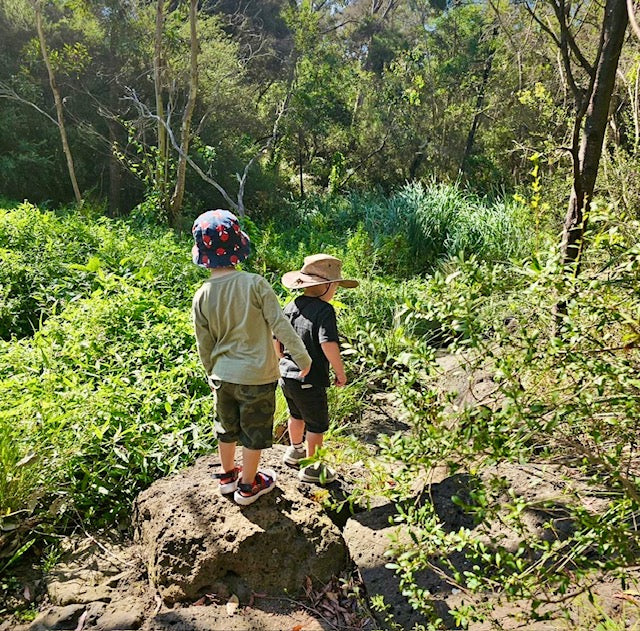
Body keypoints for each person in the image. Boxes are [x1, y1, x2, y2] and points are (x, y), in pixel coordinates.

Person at [191, 209, 312, 506]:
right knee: (253, 432)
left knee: (226, 427)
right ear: (237, 249)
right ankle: (248, 485)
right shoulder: (255, 283)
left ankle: (227, 475)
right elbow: (280, 325)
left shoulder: (202, 294)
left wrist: (211, 372)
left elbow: (203, 343)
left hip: (222, 374)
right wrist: (303, 358)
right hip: (256, 376)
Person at [275, 254, 358, 484]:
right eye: (335, 287)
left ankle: (295, 450)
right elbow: (327, 343)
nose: (335, 291)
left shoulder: (291, 306)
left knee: (295, 414)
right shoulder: (324, 311)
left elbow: (278, 335)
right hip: (310, 378)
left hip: (287, 375)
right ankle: (313, 467)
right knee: (316, 424)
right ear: (326, 286)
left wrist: (279, 356)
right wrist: (339, 371)